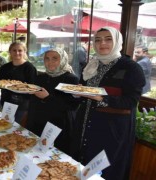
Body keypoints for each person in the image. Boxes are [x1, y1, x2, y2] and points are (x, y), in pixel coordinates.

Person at [71, 27, 145, 180]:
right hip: (85, 126)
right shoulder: (92, 65)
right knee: (83, 168)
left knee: (106, 172)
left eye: (108, 39)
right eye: (97, 40)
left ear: (118, 41)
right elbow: (83, 89)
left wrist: (102, 98)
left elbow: (131, 101)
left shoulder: (131, 68)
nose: (102, 43)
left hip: (111, 132)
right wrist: (77, 93)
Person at [26, 48, 79, 155]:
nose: (50, 62)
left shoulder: (71, 79)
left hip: (60, 128)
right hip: (38, 125)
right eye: (47, 59)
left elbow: (71, 106)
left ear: (63, 60)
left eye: (55, 58)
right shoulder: (40, 77)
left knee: (56, 159)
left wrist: (47, 97)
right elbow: (33, 104)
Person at [0, 42, 37, 124]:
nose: (17, 53)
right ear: (10, 52)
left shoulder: (29, 68)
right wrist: (5, 85)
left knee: (17, 127)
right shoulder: (5, 67)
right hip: (6, 102)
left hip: (22, 105)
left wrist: (20, 88)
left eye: (20, 50)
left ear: (24, 52)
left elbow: (33, 87)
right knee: (5, 125)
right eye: (14, 50)